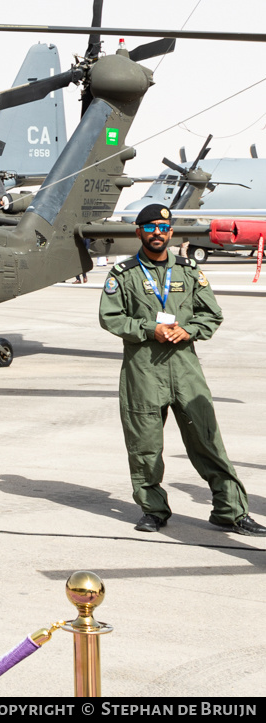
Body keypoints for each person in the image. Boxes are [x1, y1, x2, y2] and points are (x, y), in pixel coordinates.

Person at [98, 204, 265, 536]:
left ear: (171, 232)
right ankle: (153, 509)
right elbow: (110, 317)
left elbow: (211, 314)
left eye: (163, 227)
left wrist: (188, 330)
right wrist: (149, 329)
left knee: (208, 440)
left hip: (185, 369)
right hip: (143, 371)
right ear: (139, 232)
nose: (157, 233)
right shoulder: (123, 274)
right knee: (145, 444)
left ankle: (229, 511)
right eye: (150, 228)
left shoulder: (190, 271)